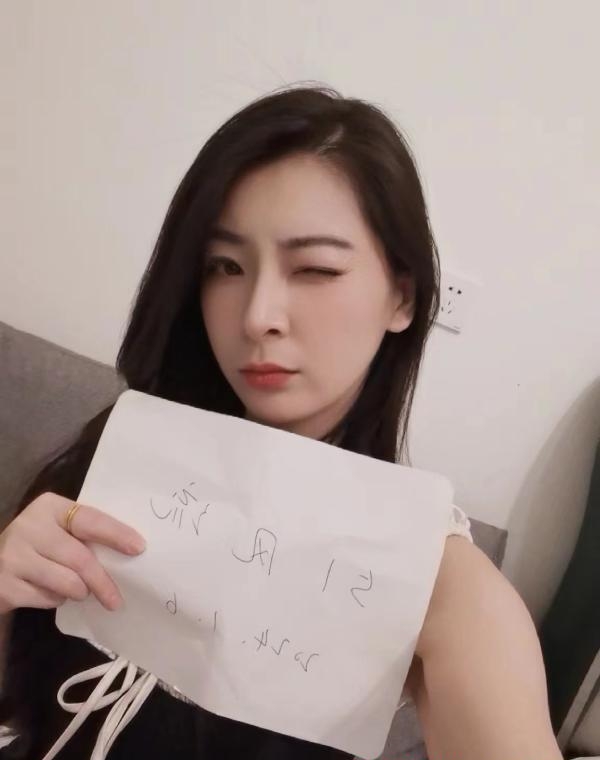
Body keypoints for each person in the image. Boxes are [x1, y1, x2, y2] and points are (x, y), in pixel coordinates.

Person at [0, 84, 562, 760]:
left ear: (402, 297)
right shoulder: (123, 456)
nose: (257, 315)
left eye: (315, 268)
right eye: (225, 266)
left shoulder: (436, 583)